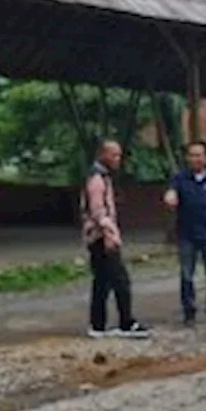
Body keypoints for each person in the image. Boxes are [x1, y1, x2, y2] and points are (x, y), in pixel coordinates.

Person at [81, 140, 150, 339]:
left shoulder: (101, 176)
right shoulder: (97, 179)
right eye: (114, 155)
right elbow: (98, 211)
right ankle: (126, 322)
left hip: (97, 237)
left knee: (102, 282)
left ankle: (98, 325)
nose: (118, 159)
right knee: (121, 281)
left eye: (119, 155)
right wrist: (109, 235)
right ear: (103, 155)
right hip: (101, 237)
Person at [163, 141, 206, 326]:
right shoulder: (180, 179)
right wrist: (170, 198)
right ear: (187, 158)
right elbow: (171, 193)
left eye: (199, 155)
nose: (195, 159)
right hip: (186, 236)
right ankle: (189, 314)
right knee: (187, 276)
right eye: (192, 155)